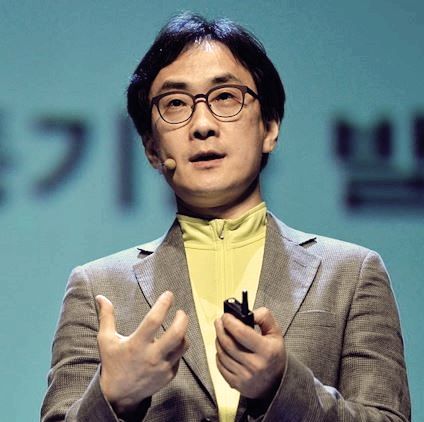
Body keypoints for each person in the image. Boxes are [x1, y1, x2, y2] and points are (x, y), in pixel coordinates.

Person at [41, 12, 411, 422]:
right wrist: (113, 397)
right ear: (151, 148)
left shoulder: (352, 275)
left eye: (225, 98)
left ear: (270, 127)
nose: (202, 125)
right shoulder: (98, 288)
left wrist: (282, 385)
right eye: (175, 103)